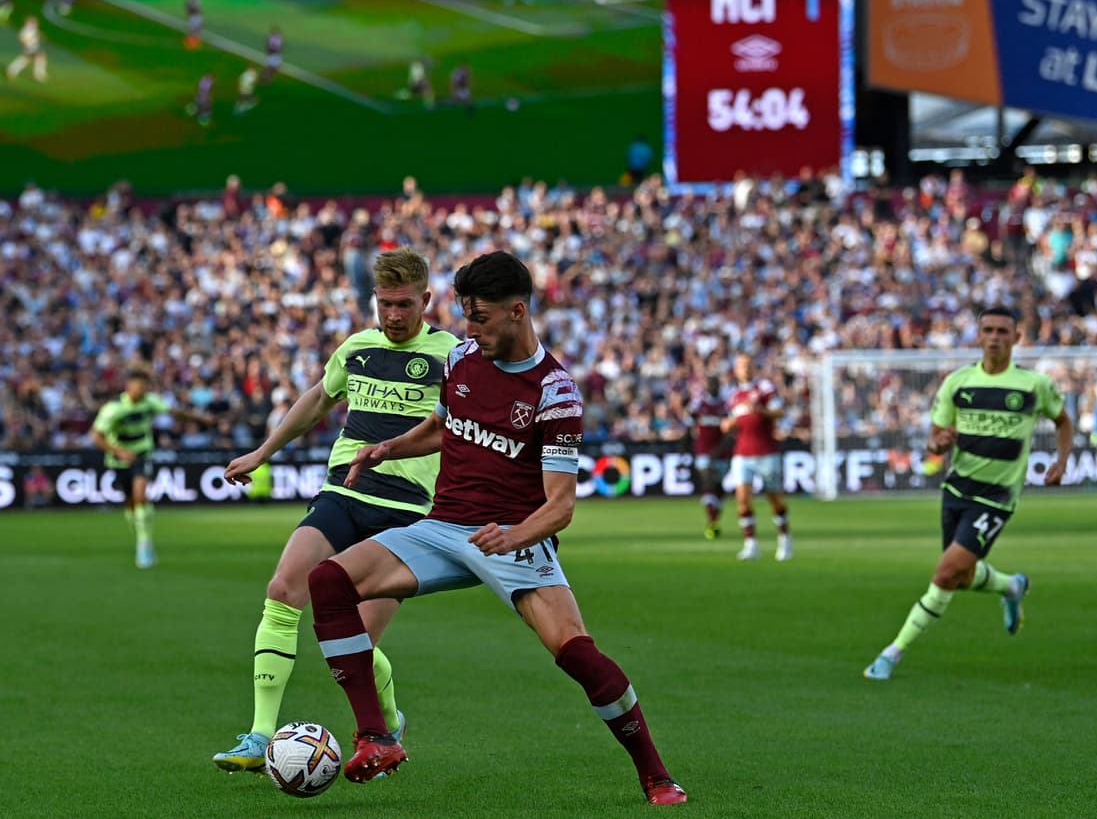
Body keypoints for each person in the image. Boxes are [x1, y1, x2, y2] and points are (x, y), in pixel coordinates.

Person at [306, 251, 686, 806]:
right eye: (465, 316)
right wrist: (389, 447)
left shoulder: (554, 392)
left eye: (480, 317)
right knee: (327, 582)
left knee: (576, 653)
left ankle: (655, 775)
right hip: (441, 527)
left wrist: (515, 536)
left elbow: (560, 507)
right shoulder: (461, 359)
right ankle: (377, 736)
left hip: (512, 535)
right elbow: (443, 426)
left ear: (517, 311)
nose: (470, 329)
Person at [211, 248, 460, 773]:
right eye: (385, 304)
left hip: (406, 510)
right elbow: (318, 400)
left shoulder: (453, 355)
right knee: (282, 590)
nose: (393, 316)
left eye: (404, 305)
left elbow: (460, 431)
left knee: (357, 643)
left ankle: (388, 723)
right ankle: (259, 737)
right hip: (343, 494)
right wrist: (261, 453)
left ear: (427, 301)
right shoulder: (357, 347)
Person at [863, 306, 1073, 681]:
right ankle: (1012, 586)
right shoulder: (957, 383)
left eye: (1002, 331)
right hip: (957, 489)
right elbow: (936, 438)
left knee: (945, 574)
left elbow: (1063, 420)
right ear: (978, 336)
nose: (994, 337)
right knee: (961, 575)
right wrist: (939, 443)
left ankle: (892, 653)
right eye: (988, 330)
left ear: (1016, 337)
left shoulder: (1034, 385)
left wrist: (1061, 460)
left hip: (997, 497)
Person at [91, 366, 214, 568]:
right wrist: (118, 452)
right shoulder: (113, 409)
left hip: (142, 454)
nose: (143, 389)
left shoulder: (150, 402)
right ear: (128, 386)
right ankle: (140, 527)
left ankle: (144, 544)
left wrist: (201, 419)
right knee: (131, 503)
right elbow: (96, 437)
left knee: (140, 495)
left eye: (145, 385)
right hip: (118, 460)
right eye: (139, 385)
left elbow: (175, 413)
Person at [724, 353, 791, 560]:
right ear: (736, 370)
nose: (745, 369)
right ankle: (750, 544)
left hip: (766, 451)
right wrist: (728, 426)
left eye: (748, 365)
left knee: (774, 499)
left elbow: (779, 411)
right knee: (742, 499)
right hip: (742, 452)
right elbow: (730, 422)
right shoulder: (734, 396)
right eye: (742, 366)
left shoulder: (764, 388)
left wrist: (760, 410)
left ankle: (784, 538)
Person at [691, 374, 733, 539]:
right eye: (710, 384)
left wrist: (720, 449)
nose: (712, 387)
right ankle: (712, 520)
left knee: (717, 486)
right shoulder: (699, 404)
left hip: (722, 453)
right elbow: (689, 426)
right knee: (707, 480)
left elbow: (731, 433)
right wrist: (685, 450)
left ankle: (714, 520)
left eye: (715, 384)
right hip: (704, 451)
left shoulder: (726, 406)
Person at [6, 17, 48, 83]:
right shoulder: (25, 30)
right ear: (28, 23)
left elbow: (38, 35)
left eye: (35, 23)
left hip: (34, 47)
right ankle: (39, 76)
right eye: (34, 22)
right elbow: (21, 39)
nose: (36, 24)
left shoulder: (32, 29)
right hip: (30, 48)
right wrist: (29, 41)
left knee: (26, 60)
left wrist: (40, 36)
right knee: (39, 57)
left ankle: (12, 70)